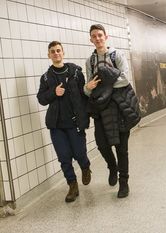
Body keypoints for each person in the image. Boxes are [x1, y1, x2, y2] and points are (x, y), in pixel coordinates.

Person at [85, 24, 139, 198]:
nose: (98, 38)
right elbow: (89, 86)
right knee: (101, 144)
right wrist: (88, 88)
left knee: (122, 148)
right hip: (101, 108)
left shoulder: (117, 55)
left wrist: (105, 85)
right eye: (94, 36)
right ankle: (112, 166)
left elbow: (125, 79)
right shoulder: (90, 61)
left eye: (100, 35)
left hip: (120, 107)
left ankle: (124, 183)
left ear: (106, 37)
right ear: (91, 39)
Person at [37, 41, 91, 203]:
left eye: (58, 50)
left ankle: (85, 166)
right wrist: (53, 92)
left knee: (79, 153)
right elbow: (41, 99)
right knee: (64, 157)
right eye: (52, 51)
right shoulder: (46, 78)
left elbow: (83, 95)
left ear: (63, 53)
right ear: (49, 55)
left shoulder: (75, 73)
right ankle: (72, 185)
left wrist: (85, 118)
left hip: (74, 122)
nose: (56, 53)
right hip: (56, 125)